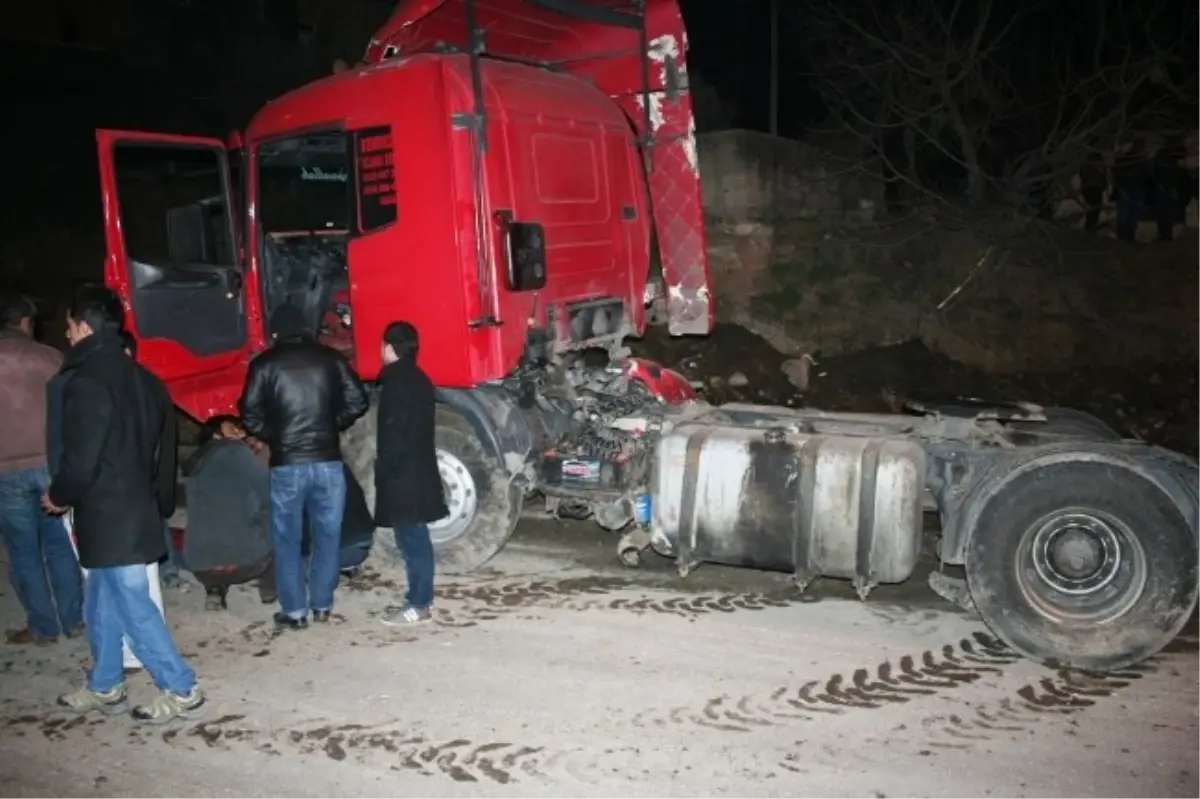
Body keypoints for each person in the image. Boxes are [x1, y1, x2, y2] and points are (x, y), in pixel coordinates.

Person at [45, 284, 203, 724]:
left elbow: (81, 457)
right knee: (100, 598)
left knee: (132, 601)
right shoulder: (146, 381)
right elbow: (161, 451)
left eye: (70, 327)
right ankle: (105, 681)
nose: (68, 336)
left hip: (109, 514)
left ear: (84, 326)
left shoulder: (86, 382)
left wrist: (58, 495)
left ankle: (181, 687)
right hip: (134, 510)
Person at [239, 304, 369, 630]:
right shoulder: (331, 359)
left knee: (287, 540)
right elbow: (358, 400)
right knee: (328, 536)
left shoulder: (264, 365)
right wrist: (331, 424)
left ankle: (295, 612)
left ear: (276, 332)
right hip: (327, 461)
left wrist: (279, 436)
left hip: (287, 464)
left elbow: (250, 416)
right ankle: (323, 604)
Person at [181, 415, 376, 612]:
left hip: (200, 567)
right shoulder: (239, 453)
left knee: (213, 523)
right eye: (233, 429)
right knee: (278, 516)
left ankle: (215, 588)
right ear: (216, 436)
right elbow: (271, 495)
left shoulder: (195, 468)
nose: (241, 433)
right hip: (251, 562)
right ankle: (271, 589)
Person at [0, 293, 82, 645]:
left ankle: (42, 626)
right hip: (50, 463)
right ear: (26, 322)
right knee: (60, 544)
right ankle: (74, 619)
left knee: (22, 550)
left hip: (5, 470)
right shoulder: (50, 357)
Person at [374, 321, 448, 626]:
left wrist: (384, 471)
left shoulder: (395, 384)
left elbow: (393, 435)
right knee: (416, 538)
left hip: (403, 476)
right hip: (419, 470)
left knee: (412, 540)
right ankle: (417, 599)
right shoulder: (419, 380)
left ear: (390, 348)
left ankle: (419, 603)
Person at [119, 330, 183, 590]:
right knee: (156, 519)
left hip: (137, 467)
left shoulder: (126, 383)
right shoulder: (150, 382)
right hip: (150, 466)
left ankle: (161, 571)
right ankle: (167, 570)